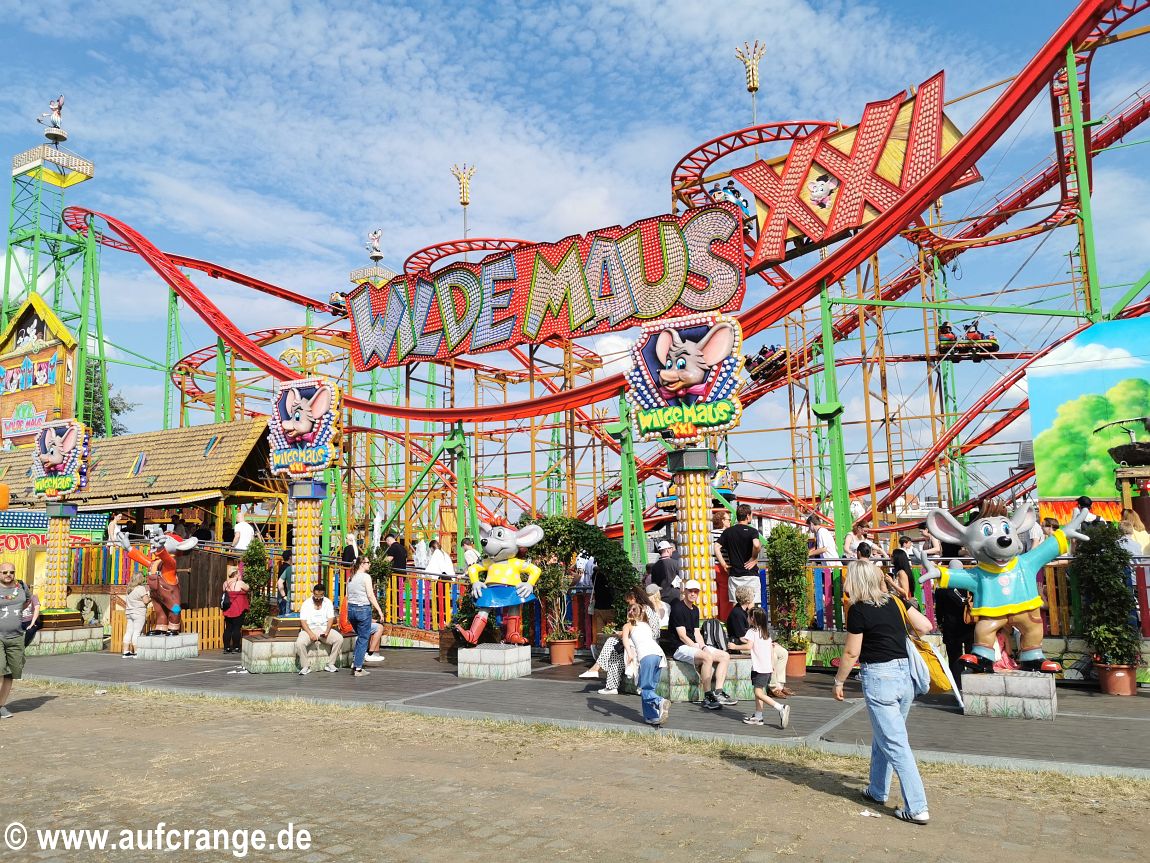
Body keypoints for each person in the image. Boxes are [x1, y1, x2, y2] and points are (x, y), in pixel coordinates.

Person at [834, 560, 932, 825]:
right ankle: (878, 789)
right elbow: (925, 626)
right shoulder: (895, 602)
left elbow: (851, 652)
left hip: (880, 678)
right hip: (904, 676)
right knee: (886, 734)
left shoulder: (858, 609)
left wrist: (839, 681)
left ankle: (917, 807)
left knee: (895, 742)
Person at [665, 579, 735, 709]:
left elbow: (697, 633)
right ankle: (707, 696)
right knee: (707, 657)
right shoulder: (677, 608)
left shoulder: (696, 609)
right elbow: (682, 636)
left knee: (725, 656)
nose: (693, 594)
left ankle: (718, 692)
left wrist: (703, 646)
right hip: (679, 647)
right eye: (690, 591)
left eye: (696, 591)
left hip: (693, 645)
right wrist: (700, 649)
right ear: (685, 591)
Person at [579, 586, 658, 694]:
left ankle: (596, 669)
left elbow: (651, 632)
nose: (628, 605)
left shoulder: (644, 609)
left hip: (643, 644)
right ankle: (610, 686)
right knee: (614, 651)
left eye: (629, 601)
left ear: (634, 598)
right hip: (636, 642)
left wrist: (626, 633)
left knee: (612, 642)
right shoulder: (640, 608)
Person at [729, 606, 790, 727]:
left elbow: (748, 646)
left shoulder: (752, 631)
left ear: (752, 618)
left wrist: (735, 647)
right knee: (759, 691)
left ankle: (780, 707)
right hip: (766, 667)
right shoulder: (765, 632)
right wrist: (772, 665)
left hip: (759, 668)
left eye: (748, 616)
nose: (747, 618)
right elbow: (770, 649)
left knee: (758, 693)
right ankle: (758, 716)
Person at [622, 603, 669, 726]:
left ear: (628, 613)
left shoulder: (627, 626)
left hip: (646, 656)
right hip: (659, 655)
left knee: (644, 689)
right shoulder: (646, 625)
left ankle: (660, 701)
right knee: (650, 687)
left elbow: (625, 640)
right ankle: (651, 716)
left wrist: (629, 653)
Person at [0, 564, 31, 718]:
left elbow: (27, 601)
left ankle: (1, 706)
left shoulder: (22, 587)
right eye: (5, 572)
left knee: (10, 673)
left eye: (11, 572)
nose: (8, 574)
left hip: (17, 637)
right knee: (0, 669)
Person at [715, 504, 762, 605]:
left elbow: (716, 547)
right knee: (751, 606)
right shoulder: (752, 531)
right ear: (747, 516)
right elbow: (756, 545)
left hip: (735, 575)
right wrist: (754, 557)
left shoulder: (728, 532)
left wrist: (724, 564)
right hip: (751, 574)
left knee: (736, 606)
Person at [346, 555, 384, 677]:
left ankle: (355, 662)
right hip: (362, 609)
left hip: (351, 609)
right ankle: (358, 668)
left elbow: (347, 596)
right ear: (362, 564)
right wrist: (379, 610)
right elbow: (370, 595)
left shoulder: (350, 577)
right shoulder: (366, 577)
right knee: (363, 638)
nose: (369, 564)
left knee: (361, 636)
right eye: (368, 562)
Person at [296, 584, 343, 674]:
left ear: (323, 594)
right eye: (316, 596)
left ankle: (331, 664)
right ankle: (305, 666)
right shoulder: (306, 603)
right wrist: (310, 634)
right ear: (313, 593)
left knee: (339, 639)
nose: (318, 598)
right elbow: (303, 622)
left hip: (323, 629)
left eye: (320, 596)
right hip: (309, 629)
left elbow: (330, 619)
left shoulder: (328, 602)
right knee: (299, 643)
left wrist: (327, 632)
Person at [933, 584, 974, 687]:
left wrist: (940, 624)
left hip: (950, 627)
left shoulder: (941, 590)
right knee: (972, 655)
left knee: (954, 658)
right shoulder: (968, 585)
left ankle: (958, 685)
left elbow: (939, 609)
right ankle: (972, 683)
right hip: (969, 624)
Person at [221, 565, 250, 654]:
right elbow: (247, 588)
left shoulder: (225, 583)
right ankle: (236, 647)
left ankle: (226, 648)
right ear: (236, 574)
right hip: (238, 608)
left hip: (228, 608)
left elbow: (225, 593)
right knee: (237, 628)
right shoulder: (239, 583)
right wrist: (240, 580)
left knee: (228, 628)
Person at [121, 574, 150, 657]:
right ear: (140, 579)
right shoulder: (140, 588)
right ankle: (137, 652)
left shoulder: (129, 589)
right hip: (138, 613)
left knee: (129, 632)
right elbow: (146, 601)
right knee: (137, 632)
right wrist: (150, 597)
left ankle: (126, 652)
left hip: (129, 613)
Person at [888, 536, 917, 606]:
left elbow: (905, 593)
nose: (890, 558)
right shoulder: (901, 572)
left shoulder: (901, 573)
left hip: (903, 604)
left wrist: (891, 582)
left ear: (897, 558)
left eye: (892, 556)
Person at [649, 540, 680, 604]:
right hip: (675, 596)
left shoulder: (654, 566)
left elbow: (653, 583)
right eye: (671, 549)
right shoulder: (675, 563)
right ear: (668, 550)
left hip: (661, 597)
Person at [276, 550, 293, 616]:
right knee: (284, 616)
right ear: (290, 557)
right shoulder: (288, 568)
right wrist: (284, 596)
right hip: (285, 597)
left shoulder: (282, 567)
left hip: (281, 596)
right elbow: (280, 582)